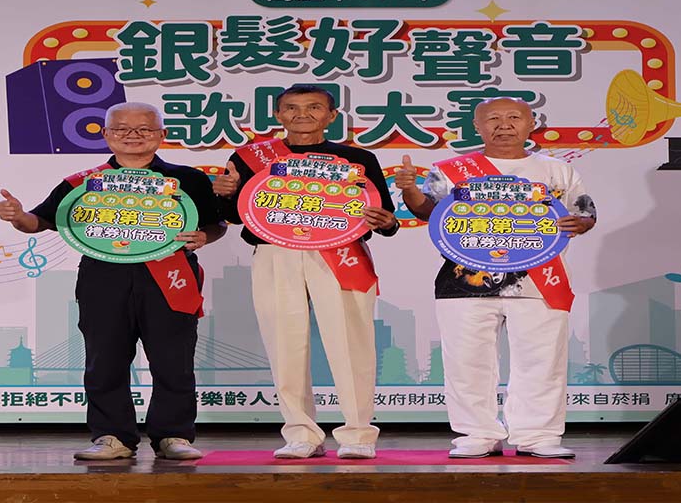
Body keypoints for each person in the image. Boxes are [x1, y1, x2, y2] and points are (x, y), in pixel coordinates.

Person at [0, 102, 226, 460]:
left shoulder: (189, 179)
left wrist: (204, 237)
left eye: (144, 129)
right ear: (105, 134)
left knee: (173, 360)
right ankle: (112, 436)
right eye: (121, 129)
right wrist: (17, 216)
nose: (132, 135)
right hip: (104, 277)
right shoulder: (81, 183)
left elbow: (216, 224)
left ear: (162, 135)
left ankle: (174, 436)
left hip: (171, 276)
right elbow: (39, 221)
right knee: (105, 360)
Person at [395, 97, 596, 459]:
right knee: (466, 361)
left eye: (514, 117)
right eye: (493, 119)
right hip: (462, 280)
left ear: (531, 123)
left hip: (540, 280)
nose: (504, 125)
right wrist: (410, 189)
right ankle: (477, 434)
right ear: (477, 126)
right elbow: (428, 211)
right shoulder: (451, 169)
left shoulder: (557, 170)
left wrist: (579, 224)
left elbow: (584, 213)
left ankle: (538, 435)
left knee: (541, 360)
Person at [213, 85, 399, 459]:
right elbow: (236, 214)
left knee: (351, 343)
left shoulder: (358, 159)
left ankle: (358, 435)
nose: (302, 114)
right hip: (275, 252)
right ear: (278, 115)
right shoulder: (251, 157)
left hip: (340, 253)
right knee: (284, 343)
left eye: (314, 107)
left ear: (332, 116)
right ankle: (301, 433)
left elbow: (384, 217)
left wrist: (387, 222)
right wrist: (225, 193)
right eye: (292, 108)